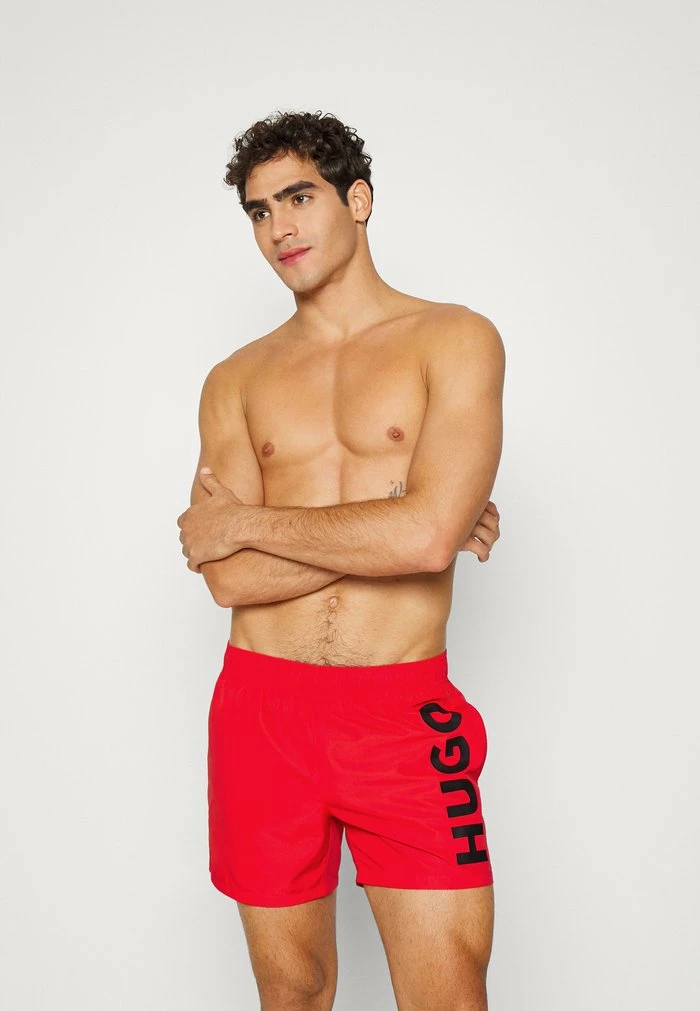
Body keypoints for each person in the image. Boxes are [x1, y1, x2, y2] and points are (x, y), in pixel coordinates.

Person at [177, 109, 505, 1011]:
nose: (278, 228)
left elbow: (426, 538)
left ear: (357, 199)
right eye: (258, 211)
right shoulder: (234, 379)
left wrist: (255, 522)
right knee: (293, 989)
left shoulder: (454, 339)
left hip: (403, 716)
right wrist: (403, 520)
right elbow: (229, 575)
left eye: (298, 198)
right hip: (259, 714)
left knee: (448, 992)